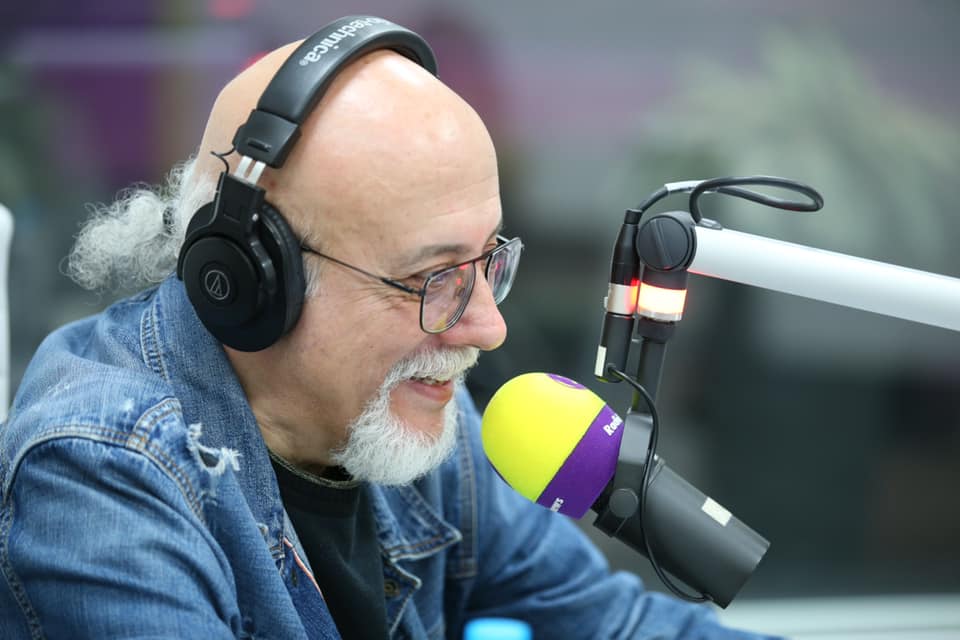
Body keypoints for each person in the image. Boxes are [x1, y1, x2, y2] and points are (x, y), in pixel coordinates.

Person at [0, 16, 778, 640]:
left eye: (488, 259)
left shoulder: (417, 421)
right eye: (435, 277)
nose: (488, 328)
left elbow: (618, 625)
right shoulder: (100, 477)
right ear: (249, 281)